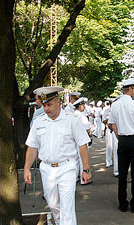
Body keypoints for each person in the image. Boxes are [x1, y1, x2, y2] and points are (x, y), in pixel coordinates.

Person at [24, 87, 92, 225]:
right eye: (44, 105)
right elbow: (32, 147)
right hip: (47, 169)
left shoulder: (71, 120)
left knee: (67, 207)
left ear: (58, 102)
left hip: (67, 167)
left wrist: (86, 169)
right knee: (53, 204)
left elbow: (83, 145)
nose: (46, 109)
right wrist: (26, 168)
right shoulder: (38, 122)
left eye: (49, 105)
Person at [108, 78, 134, 213]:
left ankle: (122, 203)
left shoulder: (115, 105)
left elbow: (112, 124)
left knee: (123, 173)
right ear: (130, 89)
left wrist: (120, 136)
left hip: (123, 140)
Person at [73, 97, 93, 185]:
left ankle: (75, 178)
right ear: (80, 106)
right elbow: (87, 129)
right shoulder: (82, 116)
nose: (84, 106)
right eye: (83, 104)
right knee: (83, 159)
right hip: (82, 139)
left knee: (75, 159)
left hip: (73, 140)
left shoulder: (72, 114)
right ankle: (83, 179)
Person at [102, 101, 113, 168]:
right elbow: (103, 120)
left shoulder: (118, 110)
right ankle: (108, 161)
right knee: (109, 146)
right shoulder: (106, 111)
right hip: (109, 129)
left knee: (117, 148)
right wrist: (107, 120)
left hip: (117, 130)